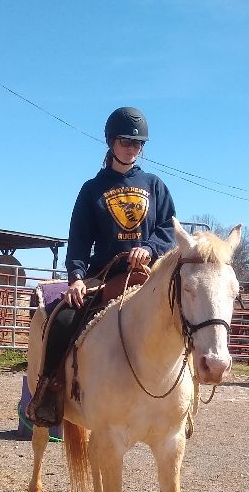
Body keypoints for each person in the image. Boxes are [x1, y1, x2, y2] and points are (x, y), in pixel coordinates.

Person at [28, 106, 176, 426]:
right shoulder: (92, 189)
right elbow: (79, 238)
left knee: (187, 316)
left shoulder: (156, 185)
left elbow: (168, 230)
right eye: (125, 141)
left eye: (137, 144)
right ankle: (50, 389)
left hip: (147, 278)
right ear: (110, 141)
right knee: (64, 317)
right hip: (105, 274)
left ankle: (183, 403)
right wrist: (77, 277)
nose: (131, 148)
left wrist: (149, 249)